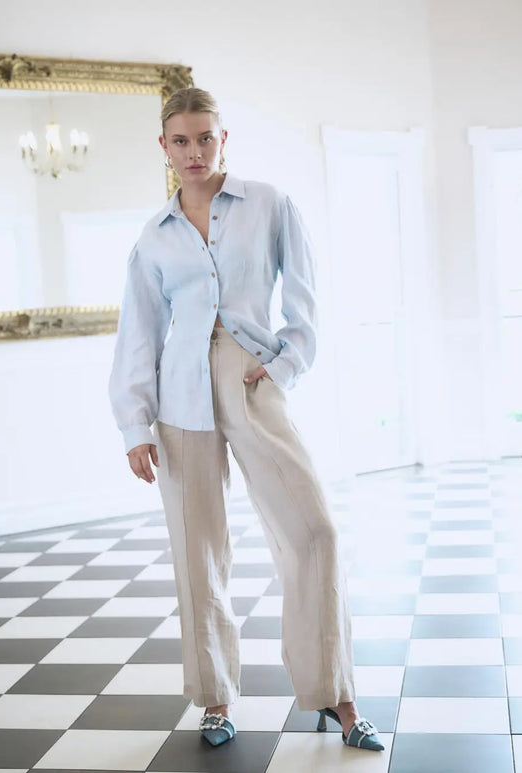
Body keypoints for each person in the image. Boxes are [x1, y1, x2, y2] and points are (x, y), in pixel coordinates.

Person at [108, 87, 384, 753]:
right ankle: (217, 698)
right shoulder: (153, 237)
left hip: (252, 377)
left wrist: (284, 365)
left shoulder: (269, 205)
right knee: (198, 554)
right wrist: (134, 426)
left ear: (223, 139)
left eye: (206, 137)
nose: (195, 151)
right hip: (178, 395)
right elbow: (138, 336)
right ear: (164, 147)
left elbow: (307, 299)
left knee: (314, 529)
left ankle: (336, 693)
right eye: (181, 140)